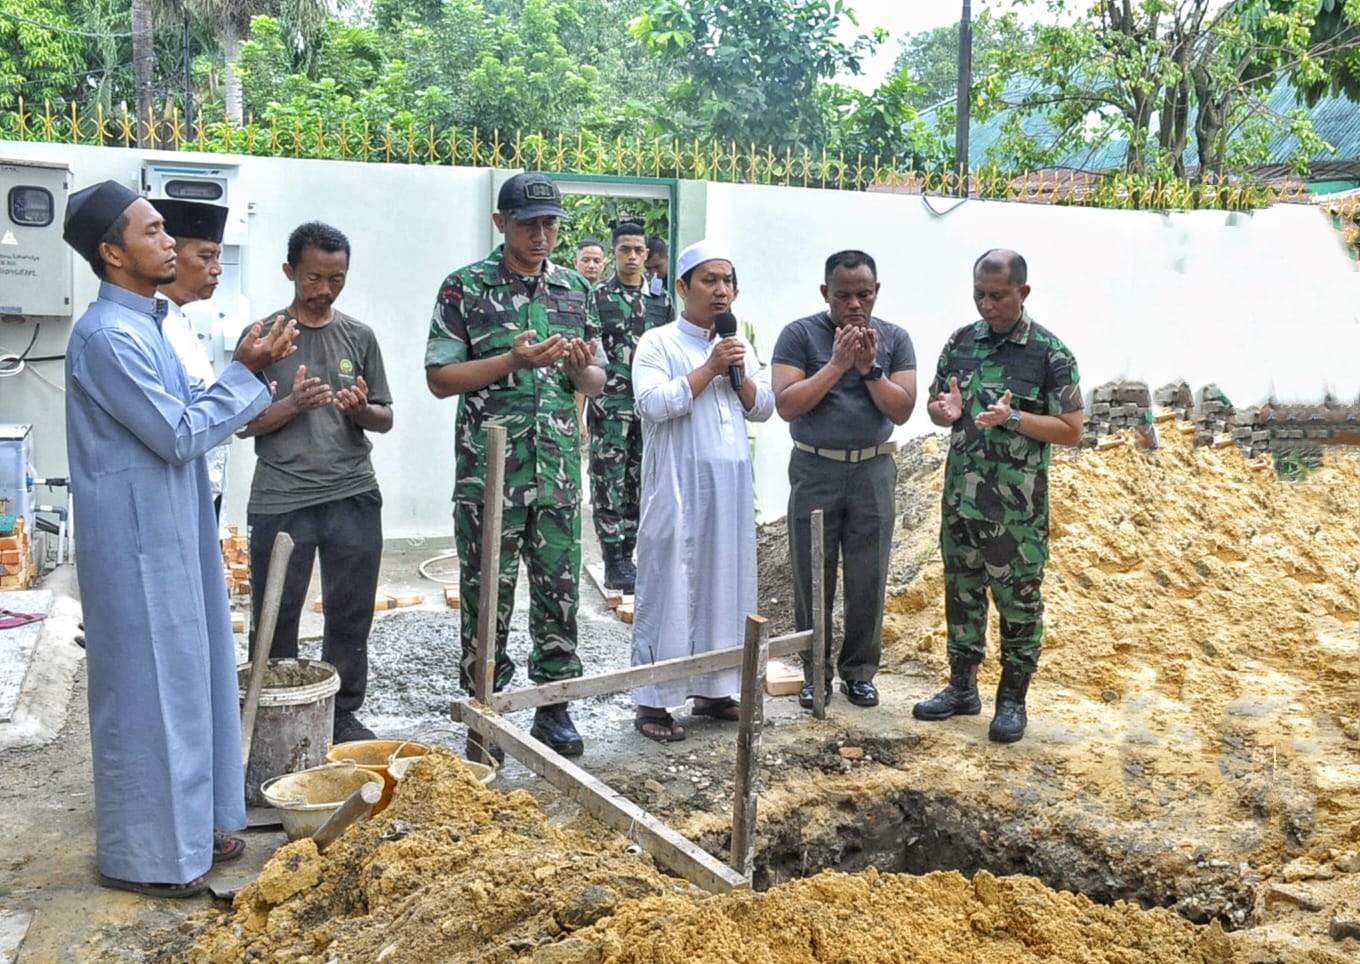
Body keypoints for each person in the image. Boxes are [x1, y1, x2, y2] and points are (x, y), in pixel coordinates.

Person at [61, 180, 297, 897]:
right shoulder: (107, 336)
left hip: (174, 533)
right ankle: (149, 859)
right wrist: (246, 372)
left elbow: (192, 409)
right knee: (148, 696)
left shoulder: (152, 324)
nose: (170, 243)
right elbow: (178, 432)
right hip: (134, 547)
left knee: (194, 680)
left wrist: (243, 374)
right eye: (153, 232)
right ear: (112, 253)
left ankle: (198, 827)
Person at [425, 172, 605, 757]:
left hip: (557, 473)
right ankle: (485, 713)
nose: (541, 235)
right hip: (491, 474)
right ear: (501, 223)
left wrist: (579, 369)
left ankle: (554, 707)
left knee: (560, 592)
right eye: (528, 224)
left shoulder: (575, 288)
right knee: (486, 596)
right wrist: (511, 361)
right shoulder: (465, 288)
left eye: (550, 224)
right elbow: (439, 378)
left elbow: (597, 381)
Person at [912, 249, 1083, 743]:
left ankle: (1012, 700)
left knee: (1018, 603)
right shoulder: (961, 343)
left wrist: (1014, 418)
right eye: (979, 295)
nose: (986, 305)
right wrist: (943, 411)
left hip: (1016, 512)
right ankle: (962, 688)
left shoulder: (1050, 354)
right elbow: (937, 406)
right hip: (960, 500)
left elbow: (1072, 430)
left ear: (1022, 292)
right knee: (961, 593)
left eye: (997, 296)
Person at [239, 222, 394, 745]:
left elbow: (385, 417)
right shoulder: (262, 339)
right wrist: (292, 404)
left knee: (350, 613)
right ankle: (272, 713)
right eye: (313, 277)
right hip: (281, 497)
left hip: (352, 492)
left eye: (336, 278)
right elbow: (240, 422)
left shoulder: (359, 336)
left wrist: (360, 410)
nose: (324, 289)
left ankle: (341, 714)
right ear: (290, 271)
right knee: (275, 615)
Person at [629, 240, 774, 741]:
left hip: (729, 492)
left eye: (728, 281)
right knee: (669, 587)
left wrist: (735, 373)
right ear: (682, 287)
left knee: (725, 583)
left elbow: (763, 407)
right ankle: (653, 703)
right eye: (709, 281)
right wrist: (710, 368)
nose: (721, 291)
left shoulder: (739, 344)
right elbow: (652, 403)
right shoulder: (658, 342)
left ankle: (715, 690)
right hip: (677, 489)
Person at [771, 250, 917, 710]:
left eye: (864, 295)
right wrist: (836, 365)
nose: (855, 304)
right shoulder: (799, 335)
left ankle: (859, 673)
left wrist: (869, 369)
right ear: (825, 293)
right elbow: (787, 404)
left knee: (868, 575)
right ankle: (815, 673)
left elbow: (902, 409)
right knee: (811, 574)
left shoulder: (894, 338)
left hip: (873, 468)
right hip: (816, 467)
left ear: (877, 292)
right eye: (843, 296)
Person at [587, 221, 673, 593]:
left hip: (648, 409)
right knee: (609, 482)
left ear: (646, 254)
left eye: (639, 250)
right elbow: (590, 352)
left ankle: (628, 554)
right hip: (610, 408)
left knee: (640, 482)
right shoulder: (597, 297)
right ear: (615, 253)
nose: (633, 257)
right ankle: (613, 559)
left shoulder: (660, 300)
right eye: (625, 250)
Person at [155, 199, 231, 519]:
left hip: (204, 489)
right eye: (206, 256)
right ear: (171, 254)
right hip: (176, 497)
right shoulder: (154, 325)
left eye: (218, 257)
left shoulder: (180, 317)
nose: (217, 269)